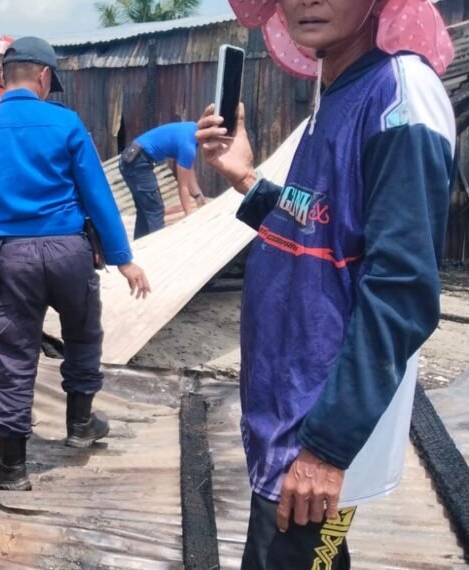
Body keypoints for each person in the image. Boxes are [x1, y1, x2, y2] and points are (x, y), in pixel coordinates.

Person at [196, 0, 454, 567]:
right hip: (288, 418)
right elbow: (321, 218)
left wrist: (326, 450)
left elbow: (402, 287)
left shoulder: (398, 94)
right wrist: (246, 178)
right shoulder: (338, 88)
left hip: (313, 430)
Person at [0, 37, 151, 492]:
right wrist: (123, 258)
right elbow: (98, 195)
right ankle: (80, 425)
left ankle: (12, 465)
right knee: (82, 335)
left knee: (15, 355)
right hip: (70, 252)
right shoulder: (67, 124)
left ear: (2, 75)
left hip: (13, 257)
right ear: (44, 77)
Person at [120, 121, 205, 239]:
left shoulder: (192, 128)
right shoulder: (188, 146)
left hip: (131, 157)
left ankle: (140, 249)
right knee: (156, 210)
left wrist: (198, 195)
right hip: (137, 162)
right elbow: (183, 186)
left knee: (145, 210)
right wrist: (189, 216)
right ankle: (158, 249)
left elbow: (187, 169)